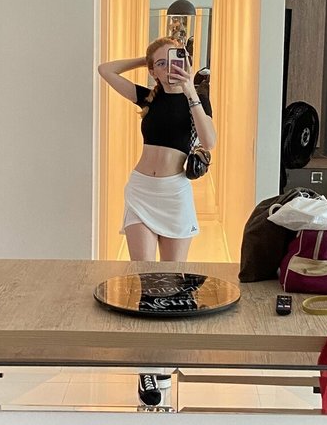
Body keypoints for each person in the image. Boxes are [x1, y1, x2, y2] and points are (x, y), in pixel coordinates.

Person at [98, 36, 216, 406]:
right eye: (161, 63)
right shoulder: (148, 97)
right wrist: (146, 59)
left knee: (172, 284)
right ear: (153, 70)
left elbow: (210, 140)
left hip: (174, 195)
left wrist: (190, 87)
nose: (168, 68)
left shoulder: (196, 97)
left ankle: (164, 356)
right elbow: (105, 70)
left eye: (175, 60)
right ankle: (147, 366)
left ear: (186, 62)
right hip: (141, 193)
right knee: (146, 280)